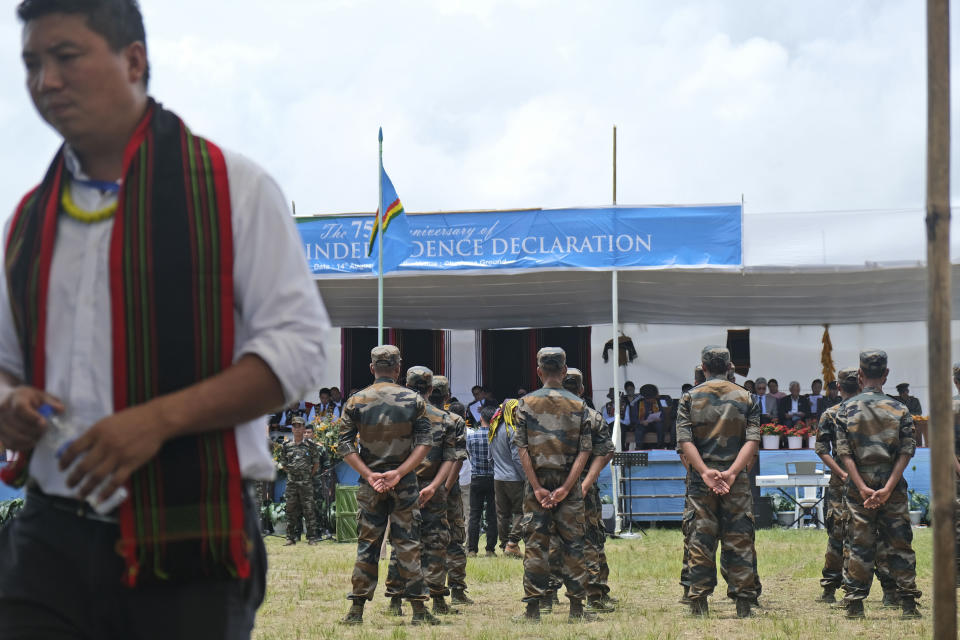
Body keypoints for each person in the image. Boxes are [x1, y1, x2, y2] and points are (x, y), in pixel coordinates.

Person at [0, 2, 329, 637]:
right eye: (31, 64)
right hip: (46, 540)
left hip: (192, 536)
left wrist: (158, 422)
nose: (46, 82)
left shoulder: (233, 188)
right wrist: (11, 402)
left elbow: (298, 351)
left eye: (65, 57)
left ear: (134, 60)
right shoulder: (26, 223)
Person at [337, 346, 436, 626]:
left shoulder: (356, 400)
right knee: (408, 543)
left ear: (372, 368)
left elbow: (344, 444)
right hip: (403, 482)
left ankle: (356, 610)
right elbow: (425, 443)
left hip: (371, 485)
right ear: (397, 368)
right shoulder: (413, 399)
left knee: (367, 545)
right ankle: (418, 610)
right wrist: (400, 472)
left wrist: (369, 475)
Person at [835, 349, 921, 620]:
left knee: (859, 542)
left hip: (858, 485)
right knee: (899, 542)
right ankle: (907, 603)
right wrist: (888, 487)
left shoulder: (845, 409)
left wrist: (860, 486)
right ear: (886, 374)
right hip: (891, 485)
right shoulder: (901, 408)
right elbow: (907, 451)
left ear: (860, 375)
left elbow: (844, 453)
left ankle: (855, 604)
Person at [676, 346, 760, 618]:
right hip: (735, 481)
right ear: (730, 365)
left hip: (702, 482)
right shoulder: (747, 397)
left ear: (703, 366)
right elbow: (753, 441)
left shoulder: (689, 398)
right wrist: (733, 472)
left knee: (700, 538)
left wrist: (704, 472)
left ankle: (699, 601)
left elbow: (685, 442)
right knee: (739, 538)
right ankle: (744, 602)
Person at [514, 347, 594, 623]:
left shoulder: (524, 404)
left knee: (536, 545)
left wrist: (536, 486)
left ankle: (533, 608)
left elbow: (522, 449)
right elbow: (585, 451)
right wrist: (566, 487)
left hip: (537, 484)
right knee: (573, 545)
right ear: (563, 371)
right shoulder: (579, 406)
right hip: (568, 485)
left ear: (538, 371)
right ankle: (576, 609)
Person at [385, 366, 458, 617]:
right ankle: (437, 599)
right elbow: (450, 459)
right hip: (433, 489)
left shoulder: (396, 417)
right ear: (431, 389)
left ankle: (395, 601)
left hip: (403, 487)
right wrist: (435, 487)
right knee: (436, 545)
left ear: (406, 385)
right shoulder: (445, 419)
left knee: (401, 543)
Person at [563, 368, 616, 613]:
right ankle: (595, 594)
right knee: (591, 540)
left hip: (551, 489)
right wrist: (587, 481)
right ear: (582, 389)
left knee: (554, 539)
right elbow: (607, 450)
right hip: (585, 488)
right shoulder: (593, 416)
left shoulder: (546, 414)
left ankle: (547, 596)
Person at [814, 368, 857, 602]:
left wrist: (841, 472)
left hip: (842, 482)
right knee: (876, 533)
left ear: (838, 387)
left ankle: (830, 588)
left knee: (837, 535)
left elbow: (821, 449)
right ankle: (890, 590)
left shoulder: (830, 413)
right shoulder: (870, 411)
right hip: (865, 481)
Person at [435, 380, 472, 605]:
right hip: (448, 489)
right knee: (455, 540)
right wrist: (446, 488)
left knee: (418, 540)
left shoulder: (415, 418)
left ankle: (410, 593)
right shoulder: (455, 420)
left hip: (420, 489)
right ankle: (457, 591)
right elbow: (458, 458)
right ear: (447, 395)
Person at [490, 398, 525, 558]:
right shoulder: (513, 430)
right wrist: (526, 477)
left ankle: (504, 544)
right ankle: (512, 543)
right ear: (512, 411)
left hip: (498, 477)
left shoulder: (495, 428)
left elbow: (490, 457)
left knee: (502, 514)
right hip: (514, 478)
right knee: (521, 511)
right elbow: (517, 458)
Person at [279, 416, 320, 546]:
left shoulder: (310, 446)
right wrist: (293, 473)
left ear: (303, 428)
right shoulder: (286, 446)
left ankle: (312, 537)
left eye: (299, 426)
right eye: (294, 426)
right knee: (290, 510)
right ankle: (290, 538)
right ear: (292, 428)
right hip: (291, 483)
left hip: (306, 483)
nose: (297, 429)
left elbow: (316, 465)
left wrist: (306, 475)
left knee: (309, 509)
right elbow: (283, 464)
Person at [466, 405, 498, 557]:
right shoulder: (496, 436)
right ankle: (490, 549)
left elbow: (469, 454)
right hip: (493, 478)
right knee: (492, 514)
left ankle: (472, 549)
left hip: (476, 477)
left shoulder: (472, 436)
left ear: (481, 418)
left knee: (474, 514)